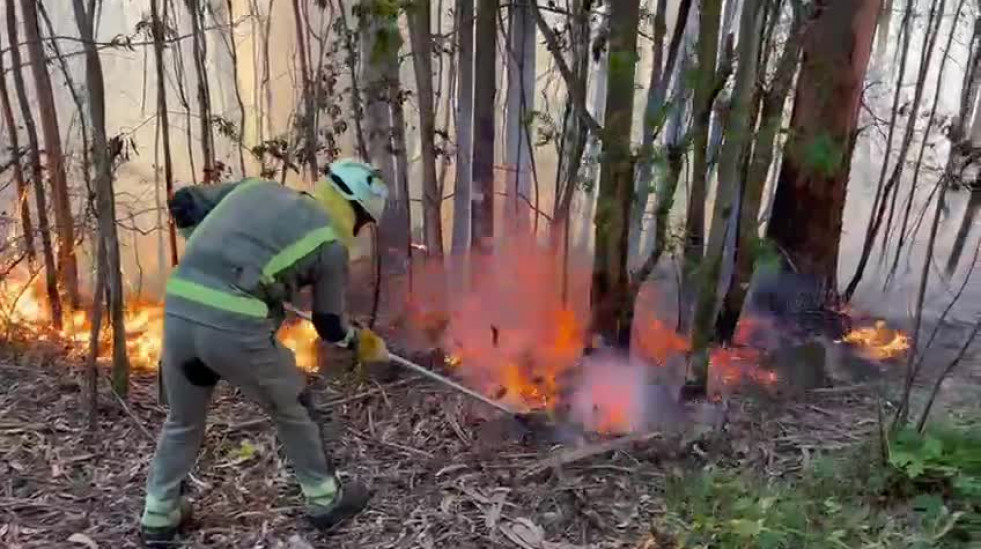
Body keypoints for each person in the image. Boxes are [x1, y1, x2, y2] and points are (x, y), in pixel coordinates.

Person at [140, 159, 390, 545]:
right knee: (293, 407)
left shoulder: (259, 189)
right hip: (233, 327)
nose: (358, 230)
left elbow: (186, 203)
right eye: (362, 222)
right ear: (354, 209)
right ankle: (325, 500)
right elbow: (329, 326)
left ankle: (159, 514)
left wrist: (215, 250)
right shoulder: (331, 245)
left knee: (183, 419)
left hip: (177, 312)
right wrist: (364, 344)